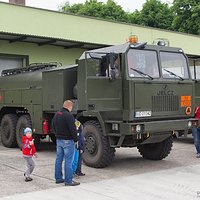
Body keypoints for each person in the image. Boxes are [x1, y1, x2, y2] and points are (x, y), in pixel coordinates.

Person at [52, 100, 80, 186]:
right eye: (71, 107)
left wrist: (57, 135)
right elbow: (73, 129)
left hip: (59, 140)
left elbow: (53, 126)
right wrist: (76, 139)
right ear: (69, 107)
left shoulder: (57, 114)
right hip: (68, 141)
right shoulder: (69, 116)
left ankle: (58, 178)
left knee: (58, 159)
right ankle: (68, 180)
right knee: (68, 161)